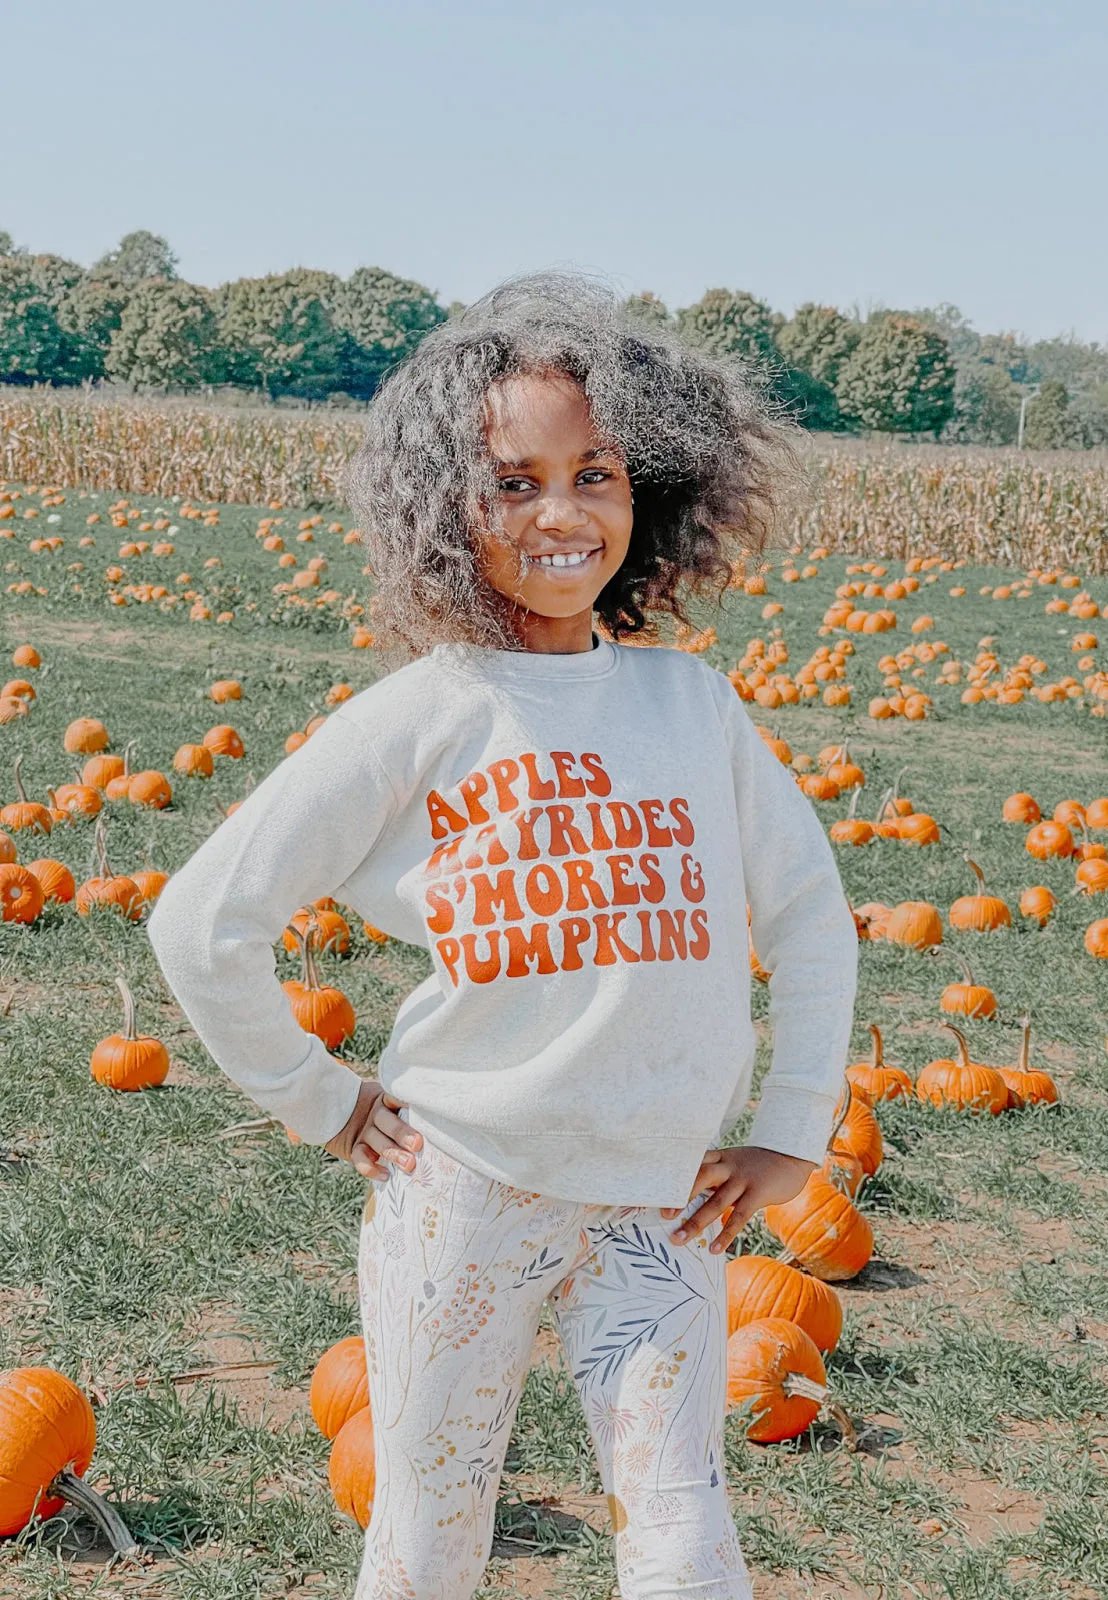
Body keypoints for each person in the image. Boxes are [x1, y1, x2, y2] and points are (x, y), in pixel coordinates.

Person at [146, 271, 858, 1600]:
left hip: (662, 1202)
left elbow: (812, 915)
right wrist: (316, 1097)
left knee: (683, 1522)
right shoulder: (426, 711)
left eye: (594, 474)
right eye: (512, 482)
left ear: (651, 492)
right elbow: (203, 919)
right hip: (461, 1193)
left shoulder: (689, 705)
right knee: (429, 1525)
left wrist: (793, 1125)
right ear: (444, 511)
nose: (559, 512)